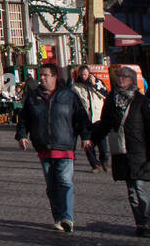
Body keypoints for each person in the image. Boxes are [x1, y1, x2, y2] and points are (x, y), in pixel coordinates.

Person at [15, 61, 92, 233]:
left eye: (45, 75)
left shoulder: (68, 95)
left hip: (64, 146)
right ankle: (58, 217)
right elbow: (24, 119)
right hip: (44, 147)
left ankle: (67, 218)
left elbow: (80, 117)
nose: (41, 78)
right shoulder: (33, 97)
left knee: (65, 182)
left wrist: (86, 136)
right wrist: (22, 135)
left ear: (54, 77)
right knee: (51, 187)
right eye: (40, 75)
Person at [93, 65, 150, 236]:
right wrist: (92, 140)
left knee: (140, 188)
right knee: (131, 191)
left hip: (138, 149)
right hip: (120, 150)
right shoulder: (111, 101)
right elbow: (105, 124)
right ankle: (140, 223)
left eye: (124, 77)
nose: (120, 79)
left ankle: (148, 222)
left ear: (132, 80)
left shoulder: (142, 101)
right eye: (119, 76)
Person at [71, 66, 109, 173]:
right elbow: (75, 103)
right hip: (85, 118)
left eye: (86, 74)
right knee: (87, 142)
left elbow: (106, 95)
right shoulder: (76, 87)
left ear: (89, 74)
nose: (84, 76)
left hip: (98, 117)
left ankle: (104, 161)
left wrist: (95, 85)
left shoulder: (98, 82)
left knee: (102, 141)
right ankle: (95, 164)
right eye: (82, 74)